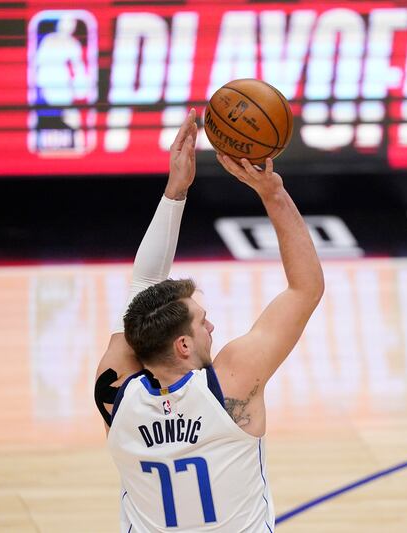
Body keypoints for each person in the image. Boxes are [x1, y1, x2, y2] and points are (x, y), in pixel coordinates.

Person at [94, 109, 324, 532]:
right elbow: (305, 289)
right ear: (183, 345)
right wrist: (272, 192)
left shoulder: (114, 395)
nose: (212, 327)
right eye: (202, 322)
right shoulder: (230, 383)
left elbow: (145, 281)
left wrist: (175, 192)